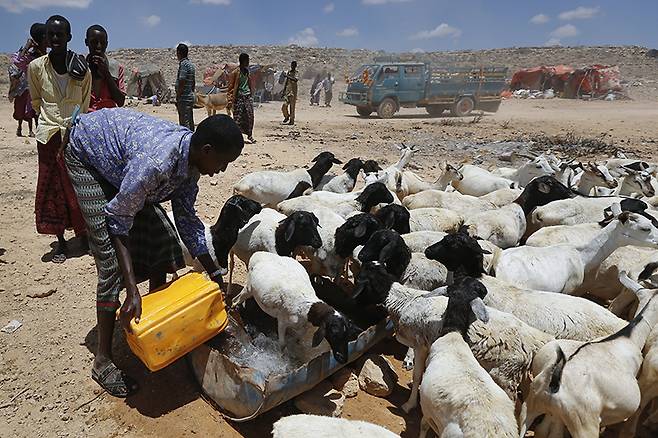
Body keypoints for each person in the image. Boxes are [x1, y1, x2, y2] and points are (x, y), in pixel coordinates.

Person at [64, 108, 244, 397]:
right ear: (207, 150)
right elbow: (118, 219)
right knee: (110, 262)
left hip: (122, 160)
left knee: (164, 240)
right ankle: (102, 360)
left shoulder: (190, 165)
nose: (221, 170)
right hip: (85, 152)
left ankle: (157, 326)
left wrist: (215, 271)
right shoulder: (156, 163)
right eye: (223, 163)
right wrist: (132, 288)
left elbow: (186, 219)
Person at [28, 15, 89, 263]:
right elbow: (35, 101)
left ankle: (84, 236)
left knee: (79, 187)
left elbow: (83, 103)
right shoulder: (35, 68)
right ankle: (61, 242)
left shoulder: (81, 68)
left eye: (60, 34)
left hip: (74, 136)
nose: (55, 39)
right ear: (46, 38)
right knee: (52, 189)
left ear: (69, 37)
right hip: (49, 137)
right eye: (51, 35)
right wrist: (49, 120)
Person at [9, 23, 47, 137]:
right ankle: (23, 129)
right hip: (31, 92)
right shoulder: (31, 58)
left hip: (46, 94)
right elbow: (17, 61)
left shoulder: (50, 56)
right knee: (27, 111)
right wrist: (27, 47)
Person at [85, 25, 125, 111]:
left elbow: (120, 102)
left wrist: (106, 73)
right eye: (94, 42)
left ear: (106, 44)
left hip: (110, 117)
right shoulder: (81, 67)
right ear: (86, 42)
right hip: (87, 117)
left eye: (102, 43)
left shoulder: (116, 68)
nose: (98, 47)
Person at [227, 53, 255, 143]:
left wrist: (251, 93)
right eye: (247, 60)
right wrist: (230, 100)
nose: (248, 62)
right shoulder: (235, 72)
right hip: (239, 97)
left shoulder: (247, 72)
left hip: (247, 96)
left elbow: (249, 84)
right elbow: (231, 87)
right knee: (237, 118)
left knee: (250, 116)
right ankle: (236, 137)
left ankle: (250, 135)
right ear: (243, 61)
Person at [176, 43, 196, 130]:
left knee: (184, 123)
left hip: (184, 98)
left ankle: (187, 142)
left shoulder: (183, 64)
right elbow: (193, 83)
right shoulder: (191, 65)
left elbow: (182, 80)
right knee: (190, 121)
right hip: (190, 97)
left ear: (179, 53)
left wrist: (178, 95)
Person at [281, 60, 298, 125]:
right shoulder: (289, 72)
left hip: (293, 92)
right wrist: (283, 91)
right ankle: (286, 116)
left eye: (294, 65)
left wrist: (287, 76)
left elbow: (295, 79)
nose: (292, 66)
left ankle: (292, 120)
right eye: (292, 65)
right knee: (284, 106)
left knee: (292, 107)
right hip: (288, 92)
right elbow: (286, 82)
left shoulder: (296, 73)